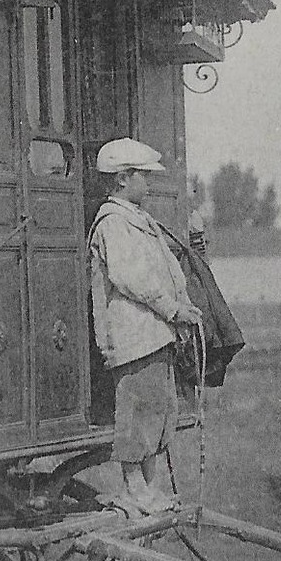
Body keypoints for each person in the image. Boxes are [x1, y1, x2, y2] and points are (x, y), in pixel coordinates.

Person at [87, 138, 202, 515]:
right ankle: (135, 489)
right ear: (122, 179)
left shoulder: (139, 220)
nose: (149, 185)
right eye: (143, 176)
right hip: (135, 336)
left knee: (157, 410)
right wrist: (172, 309)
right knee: (137, 413)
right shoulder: (114, 223)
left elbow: (165, 270)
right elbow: (130, 276)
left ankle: (148, 490)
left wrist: (182, 305)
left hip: (154, 334)